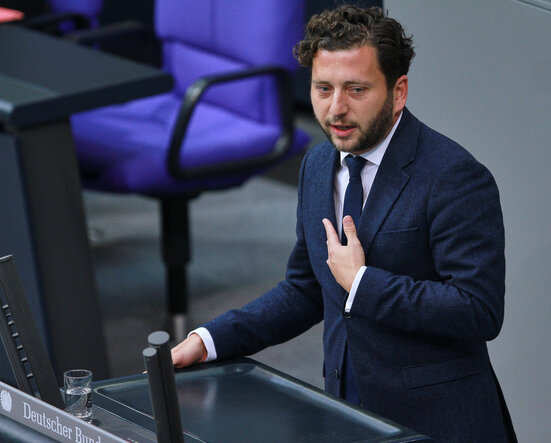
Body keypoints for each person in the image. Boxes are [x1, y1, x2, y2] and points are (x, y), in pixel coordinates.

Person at [171, 5, 516, 441]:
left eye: (356, 89)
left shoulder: (454, 177)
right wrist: (212, 338)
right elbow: (307, 288)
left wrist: (365, 283)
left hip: (437, 425)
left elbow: (478, 310)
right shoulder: (318, 165)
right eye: (323, 89)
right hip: (346, 415)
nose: (336, 109)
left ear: (399, 91)